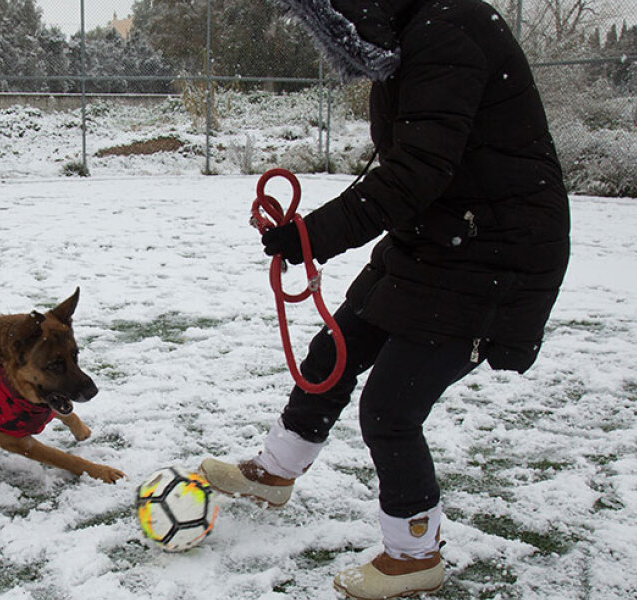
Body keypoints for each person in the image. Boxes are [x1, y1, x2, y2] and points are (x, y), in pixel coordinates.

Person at [199, 0, 570, 597]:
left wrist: (314, 235)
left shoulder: (447, 32)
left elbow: (418, 170)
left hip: (497, 256)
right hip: (436, 240)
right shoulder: (414, 34)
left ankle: (415, 553)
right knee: (332, 353)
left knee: (391, 410)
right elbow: (410, 163)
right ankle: (275, 472)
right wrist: (312, 234)